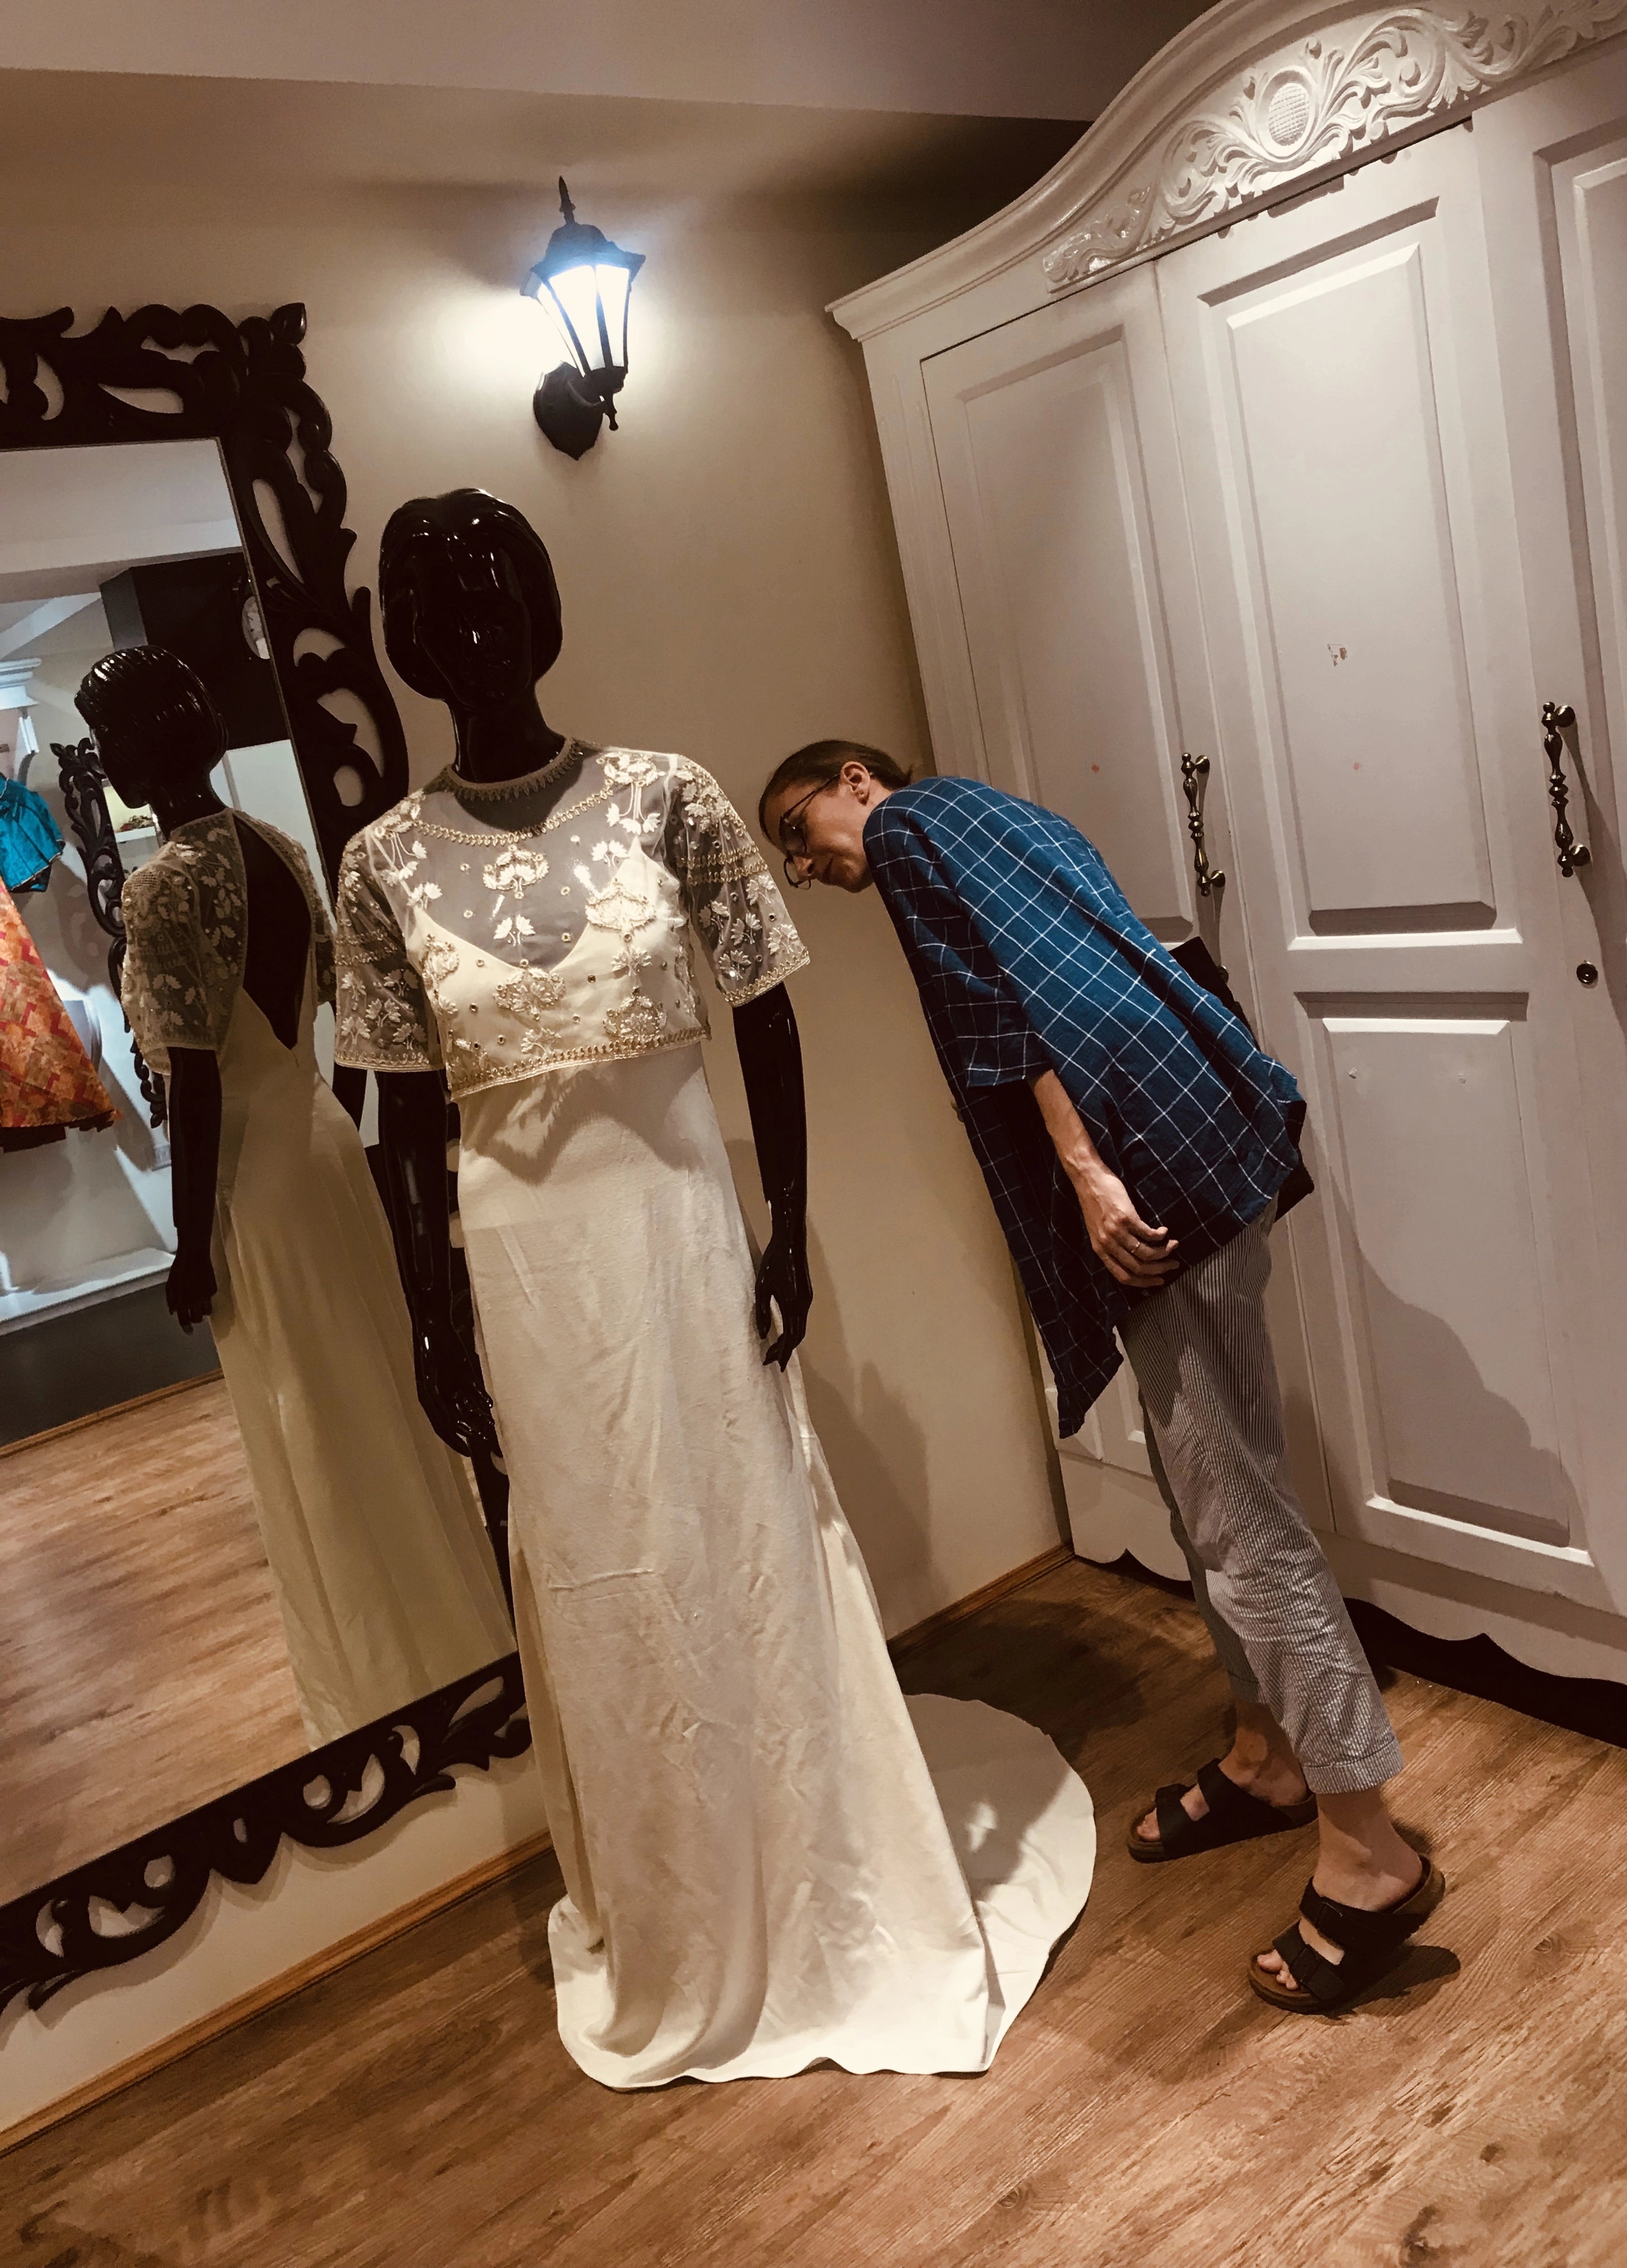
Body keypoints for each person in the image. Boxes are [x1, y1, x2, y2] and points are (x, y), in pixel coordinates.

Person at [333, 491, 1094, 2088]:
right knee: (602, 1569)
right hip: (526, 1281)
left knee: (737, 1533)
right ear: (402, 646)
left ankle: (819, 1873)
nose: (469, 634)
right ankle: (678, 1904)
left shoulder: (669, 800)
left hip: (684, 1239)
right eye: (432, 609)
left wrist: (792, 1222)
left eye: (496, 596)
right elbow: (402, 1123)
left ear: (545, 612)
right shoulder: (381, 867)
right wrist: (426, 1311)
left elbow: (763, 1018)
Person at [758, 739, 1444, 2015]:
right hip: (1200, 1134)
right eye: (793, 861)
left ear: (857, 776)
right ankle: (1264, 1756)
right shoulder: (1005, 814)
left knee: (1241, 1524)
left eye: (800, 830)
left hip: (1143, 1169)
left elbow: (1006, 1012)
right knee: (1213, 1497)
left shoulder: (909, 833)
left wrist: (1085, 1174)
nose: (807, 865)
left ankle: (1367, 1850)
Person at [77, 645, 512, 1747]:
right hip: (316, 1141)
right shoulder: (274, 847)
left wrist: (189, 1243)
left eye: (111, 737)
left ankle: (383, 1673)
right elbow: (349, 1020)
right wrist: (342, 1115)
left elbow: (201, 1076)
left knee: (314, 1412)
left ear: (144, 747)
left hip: (255, 1180)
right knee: (367, 1379)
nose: (108, 758)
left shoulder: (165, 883)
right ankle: (455, 1633)